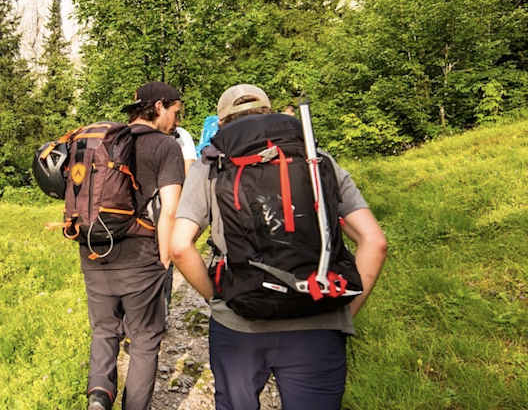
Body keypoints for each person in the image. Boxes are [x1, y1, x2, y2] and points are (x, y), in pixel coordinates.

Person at [167, 84, 388, 410]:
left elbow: (180, 247)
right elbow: (375, 242)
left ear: (223, 123)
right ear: (270, 114)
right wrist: (344, 311)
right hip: (318, 317)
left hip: (239, 322)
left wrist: (216, 299)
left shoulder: (211, 165)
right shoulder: (316, 159)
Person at [84, 82, 186, 410]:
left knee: (104, 331)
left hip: (94, 250)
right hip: (140, 258)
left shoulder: (106, 140)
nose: (177, 121)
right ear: (158, 107)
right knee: (143, 341)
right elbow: (170, 209)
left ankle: (99, 397)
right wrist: (165, 259)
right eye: (175, 112)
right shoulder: (165, 146)